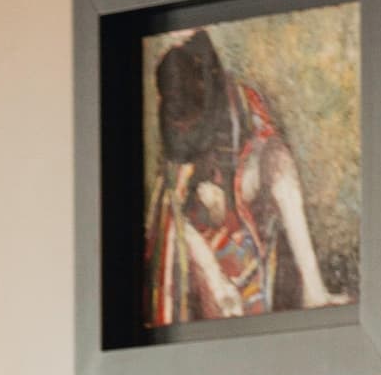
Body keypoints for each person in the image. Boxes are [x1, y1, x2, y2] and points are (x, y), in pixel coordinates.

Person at [146, 27, 349, 324]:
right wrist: (215, 276)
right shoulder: (174, 127)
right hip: (199, 234)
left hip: (245, 208)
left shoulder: (240, 102)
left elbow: (267, 162)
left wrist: (230, 193)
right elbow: (174, 217)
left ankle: (314, 289)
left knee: (278, 159)